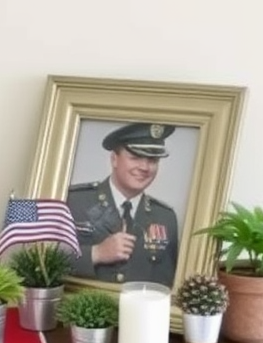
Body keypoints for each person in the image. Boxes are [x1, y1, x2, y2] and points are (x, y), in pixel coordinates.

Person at [67, 121, 179, 285]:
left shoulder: (165, 217)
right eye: (135, 157)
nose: (145, 167)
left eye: (153, 160)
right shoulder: (72, 200)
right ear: (114, 159)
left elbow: (167, 283)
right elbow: (38, 257)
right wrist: (95, 253)